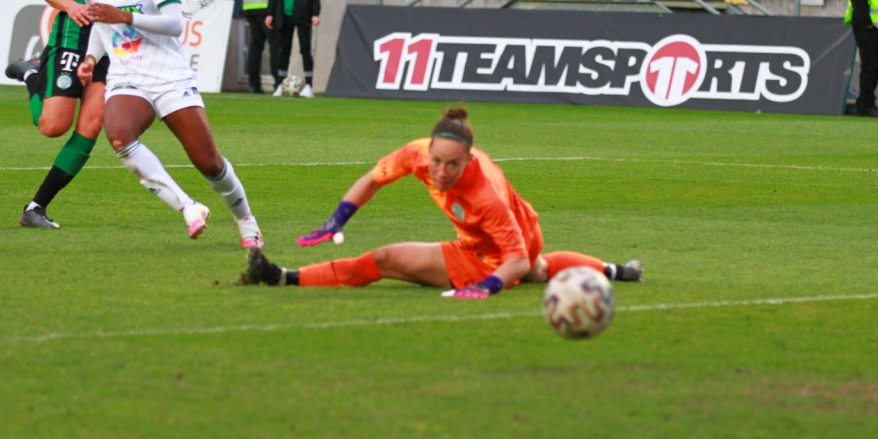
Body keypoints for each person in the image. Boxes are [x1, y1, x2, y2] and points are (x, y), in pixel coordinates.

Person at [241, 108, 642, 296]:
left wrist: (486, 286)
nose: (441, 171)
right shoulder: (416, 153)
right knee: (539, 269)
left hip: (498, 252)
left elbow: (516, 259)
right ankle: (618, 271)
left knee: (384, 260)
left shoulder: (485, 193)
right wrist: (337, 220)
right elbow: (373, 179)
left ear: (470, 160)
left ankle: (282, 277)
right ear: (428, 149)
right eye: (436, 161)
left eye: (453, 165)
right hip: (515, 236)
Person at [77, 0, 263, 247]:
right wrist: (90, 58)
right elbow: (101, 27)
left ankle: (246, 220)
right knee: (119, 137)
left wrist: (125, 16)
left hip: (169, 77)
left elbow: (175, 24)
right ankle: (188, 207)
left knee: (209, 163)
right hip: (127, 77)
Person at [4, 0, 158, 229]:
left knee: (92, 124)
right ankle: (32, 74)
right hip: (76, 35)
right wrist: (72, 7)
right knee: (53, 126)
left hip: (113, 43)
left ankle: (35, 207)